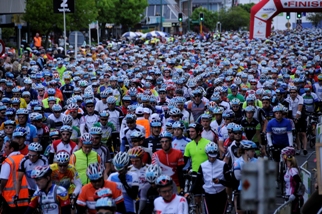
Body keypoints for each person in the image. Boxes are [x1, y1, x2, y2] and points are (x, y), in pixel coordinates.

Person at [190, 142, 230, 214]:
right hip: (208, 195)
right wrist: (190, 192)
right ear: (206, 154)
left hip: (221, 194)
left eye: (214, 156)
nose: (212, 158)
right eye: (210, 156)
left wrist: (220, 181)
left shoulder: (223, 165)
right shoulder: (202, 166)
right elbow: (197, 181)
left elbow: (230, 182)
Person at [266, 105, 293, 186]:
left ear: (282, 114)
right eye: (277, 113)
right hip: (275, 144)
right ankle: (276, 178)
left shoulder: (287, 122)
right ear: (274, 114)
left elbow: (289, 134)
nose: (278, 115)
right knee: (276, 162)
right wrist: (270, 145)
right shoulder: (270, 123)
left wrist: (291, 145)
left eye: (280, 113)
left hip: (285, 144)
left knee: (289, 161)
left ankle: (289, 176)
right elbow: (268, 135)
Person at [0, 141, 29, 212]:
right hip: (26, 197)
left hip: (11, 198)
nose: (4, 149)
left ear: (12, 149)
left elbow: (4, 179)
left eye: (6, 147)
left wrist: (0, 190)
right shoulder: (25, 158)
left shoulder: (8, 161)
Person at [233, 140, 258, 213]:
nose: (254, 153)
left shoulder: (257, 161)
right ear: (246, 151)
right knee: (240, 211)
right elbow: (237, 176)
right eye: (252, 151)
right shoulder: (237, 162)